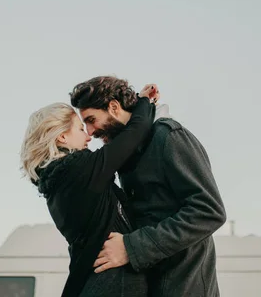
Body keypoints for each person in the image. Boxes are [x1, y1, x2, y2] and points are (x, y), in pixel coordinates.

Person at [70, 76, 226, 297]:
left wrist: (131, 247)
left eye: (91, 119)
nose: (90, 131)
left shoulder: (169, 136)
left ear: (114, 107)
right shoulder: (130, 151)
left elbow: (209, 212)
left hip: (184, 285)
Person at [20, 84, 159, 297]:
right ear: (62, 137)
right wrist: (143, 101)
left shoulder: (57, 184)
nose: (88, 136)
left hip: (95, 282)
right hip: (116, 283)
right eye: (79, 128)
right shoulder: (78, 169)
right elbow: (135, 133)